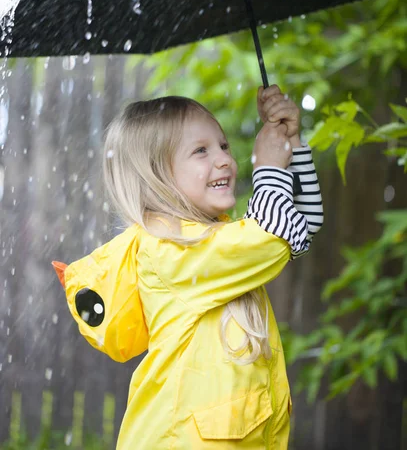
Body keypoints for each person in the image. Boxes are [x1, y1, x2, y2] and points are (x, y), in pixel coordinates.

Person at [52, 85, 323, 450]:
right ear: (156, 175)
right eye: (201, 151)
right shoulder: (170, 251)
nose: (225, 159)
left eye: (224, 146)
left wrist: (293, 145)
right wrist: (270, 166)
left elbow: (301, 223)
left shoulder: (212, 241)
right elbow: (273, 235)